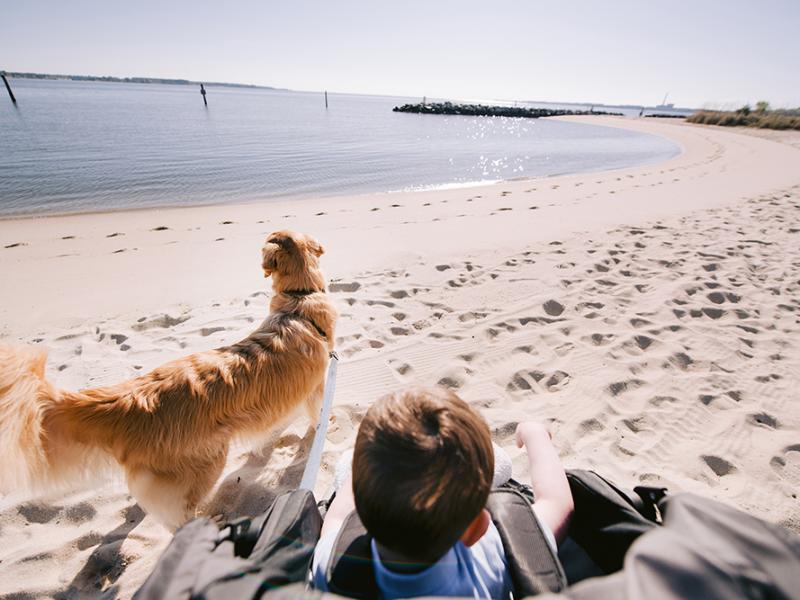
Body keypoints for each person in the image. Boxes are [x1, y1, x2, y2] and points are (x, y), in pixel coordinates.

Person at [311, 387, 574, 599]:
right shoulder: (494, 554)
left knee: (343, 466)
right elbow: (556, 502)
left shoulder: (333, 567)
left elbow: (337, 519)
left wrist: (361, 466)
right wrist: (535, 435)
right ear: (476, 528)